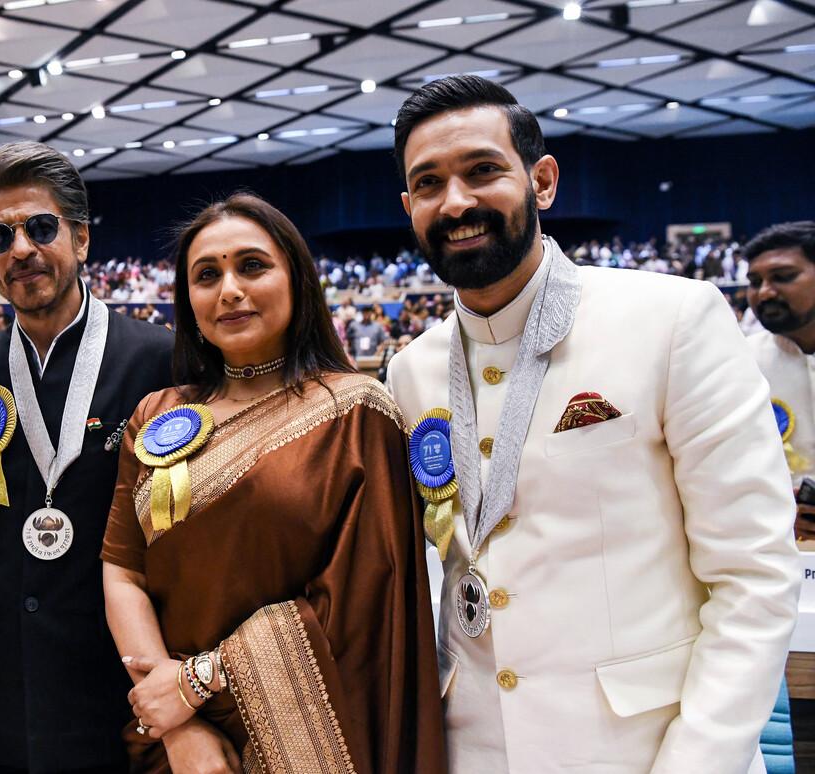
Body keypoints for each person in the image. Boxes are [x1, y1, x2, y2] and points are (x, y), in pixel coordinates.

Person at [385, 75, 798, 773]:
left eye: (482, 170)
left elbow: (755, 576)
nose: (456, 202)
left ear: (542, 181)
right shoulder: (412, 370)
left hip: (646, 750)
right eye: (429, 184)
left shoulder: (672, 320)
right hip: (475, 747)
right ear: (409, 206)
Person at [102, 193, 445, 773]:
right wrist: (177, 724)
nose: (229, 289)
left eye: (252, 266)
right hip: (172, 744)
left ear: (297, 277)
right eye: (206, 275)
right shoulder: (155, 415)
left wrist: (197, 684)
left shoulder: (356, 413)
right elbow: (123, 571)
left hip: (313, 733)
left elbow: (366, 611)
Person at [0, 140, 173, 773]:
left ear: (81, 240)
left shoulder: (163, 362)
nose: (21, 249)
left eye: (41, 228)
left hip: (118, 702)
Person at [742, 221, 815, 539]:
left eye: (783, 277)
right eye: (755, 281)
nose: (765, 292)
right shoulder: (738, 360)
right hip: (777, 548)